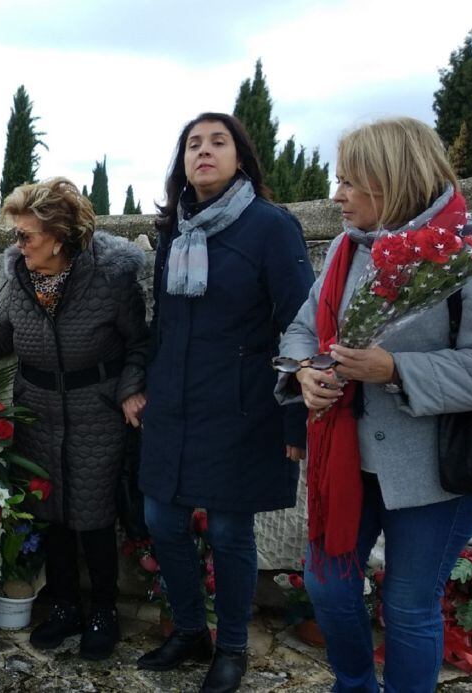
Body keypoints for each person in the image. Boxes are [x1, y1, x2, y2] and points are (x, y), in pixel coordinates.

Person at [276, 116, 472, 692]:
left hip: (436, 472)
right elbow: (302, 329)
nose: (338, 196)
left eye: (351, 182)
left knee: (409, 603)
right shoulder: (343, 253)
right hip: (348, 458)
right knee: (326, 584)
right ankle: (355, 685)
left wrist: (396, 369)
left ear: (394, 178)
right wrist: (307, 370)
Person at [0, 177, 149, 661]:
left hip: (96, 410)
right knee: (50, 512)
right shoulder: (20, 275)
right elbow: (0, 334)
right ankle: (63, 607)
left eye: (26, 235)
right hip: (37, 408)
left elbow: (140, 344)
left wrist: (131, 390)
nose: (17, 244)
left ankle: (103, 611)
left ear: (59, 236)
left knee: (94, 518)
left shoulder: (110, 278)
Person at [136, 112, 314, 692]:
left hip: (242, 407)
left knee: (231, 531)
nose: (204, 152)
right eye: (193, 143)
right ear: (181, 160)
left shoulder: (271, 227)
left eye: (218, 142)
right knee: (161, 518)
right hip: (175, 403)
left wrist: (295, 416)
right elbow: (161, 324)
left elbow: (300, 324)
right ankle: (190, 631)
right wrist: (143, 386)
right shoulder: (174, 230)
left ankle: (232, 648)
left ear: (242, 157)